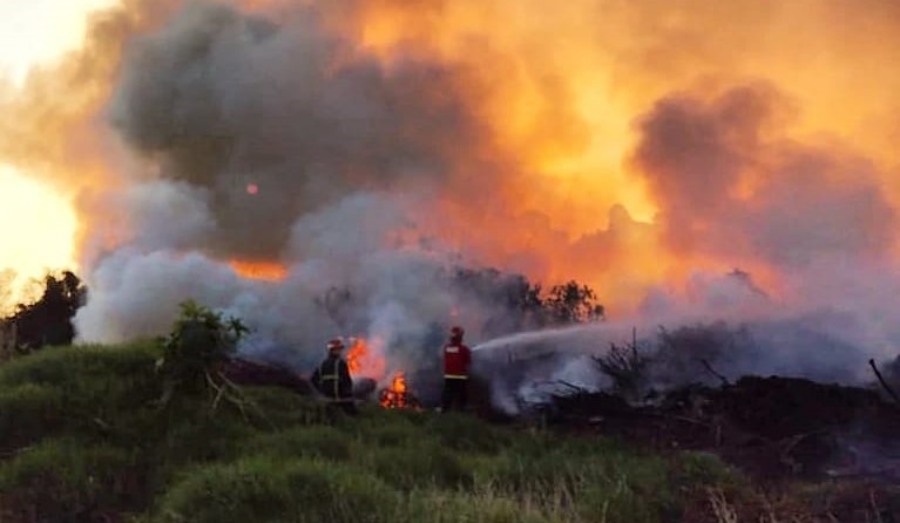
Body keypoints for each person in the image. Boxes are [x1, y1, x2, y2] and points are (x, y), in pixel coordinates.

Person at [310, 338, 357, 415]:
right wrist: (349, 396)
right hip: (340, 398)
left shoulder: (322, 364)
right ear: (333, 350)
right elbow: (347, 382)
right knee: (354, 414)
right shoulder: (341, 363)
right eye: (338, 349)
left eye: (340, 349)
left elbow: (313, 380)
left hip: (326, 398)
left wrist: (321, 391)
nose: (340, 352)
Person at [441, 326, 471, 412]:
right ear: (460, 337)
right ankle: (461, 412)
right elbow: (468, 362)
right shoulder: (464, 349)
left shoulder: (447, 348)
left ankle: (445, 412)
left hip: (448, 376)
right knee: (462, 396)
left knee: (447, 394)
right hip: (460, 376)